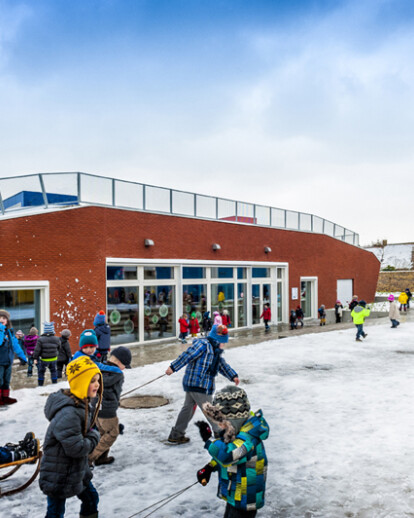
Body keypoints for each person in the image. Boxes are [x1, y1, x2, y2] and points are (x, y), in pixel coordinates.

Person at [39, 355, 102, 518]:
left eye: (98, 380)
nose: (97, 385)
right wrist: (94, 435)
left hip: (77, 470)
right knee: (55, 512)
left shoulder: (81, 404)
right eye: (92, 381)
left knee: (91, 499)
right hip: (58, 473)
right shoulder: (69, 413)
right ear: (81, 383)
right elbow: (77, 448)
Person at [195, 385, 269, 517]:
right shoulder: (238, 432)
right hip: (236, 494)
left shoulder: (249, 438)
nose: (220, 425)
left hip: (246, 500)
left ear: (234, 419)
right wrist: (210, 467)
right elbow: (232, 458)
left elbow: (229, 455)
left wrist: (208, 441)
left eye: (222, 421)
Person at [165, 324, 240, 444]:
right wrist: (173, 367)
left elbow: (221, 365)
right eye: (222, 342)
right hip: (199, 384)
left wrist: (233, 375)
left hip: (193, 384)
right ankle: (221, 433)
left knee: (187, 409)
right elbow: (187, 355)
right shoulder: (203, 345)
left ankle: (176, 434)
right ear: (215, 338)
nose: (223, 345)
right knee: (210, 409)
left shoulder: (214, 350)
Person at [89, 346, 131, 467]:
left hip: (96, 406)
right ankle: (90, 457)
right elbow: (116, 392)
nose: (125, 368)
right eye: (125, 365)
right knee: (112, 433)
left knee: (102, 433)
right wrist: (115, 399)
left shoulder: (98, 369)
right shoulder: (118, 374)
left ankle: (101, 458)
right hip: (107, 409)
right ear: (119, 361)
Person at [0, 309, 27, 405]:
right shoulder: (2, 331)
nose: (1, 319)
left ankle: (5, 397)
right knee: (0, 380)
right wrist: (1, 330)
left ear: (7, 320)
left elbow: (15, 345)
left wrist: (22, 357)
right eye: (0, 318)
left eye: (4, 318)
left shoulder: (10, 332)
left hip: (8, 361)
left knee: (6, 381)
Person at [33, 322, 60, 386]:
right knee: (53, 371)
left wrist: (35, 358)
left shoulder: (40, 339)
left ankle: (40, 385)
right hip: (54, 358)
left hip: (44, 359)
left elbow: (37, 350)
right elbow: (59, 347)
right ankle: (54, 383)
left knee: (41, 372)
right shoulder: (57, 339)